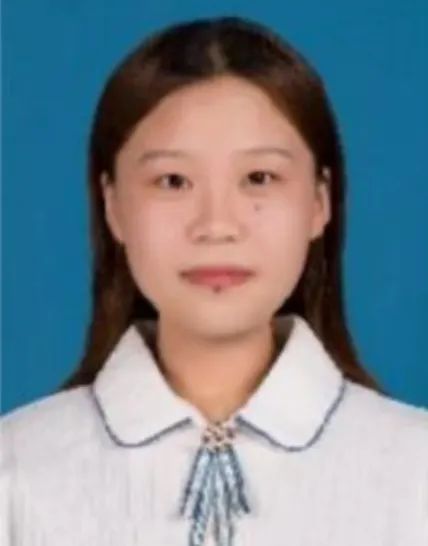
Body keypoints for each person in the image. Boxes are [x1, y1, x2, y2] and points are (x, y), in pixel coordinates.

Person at [1, 15, 427, 546]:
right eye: (172, 181)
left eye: (259, 178)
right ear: (113, 205)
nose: (217, 225)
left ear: (320, 202)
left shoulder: (414, 471)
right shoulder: (16, 470)